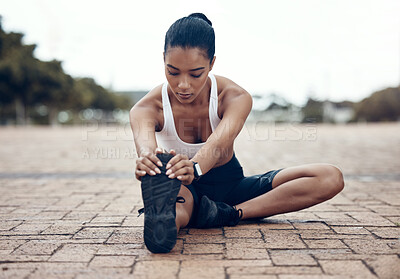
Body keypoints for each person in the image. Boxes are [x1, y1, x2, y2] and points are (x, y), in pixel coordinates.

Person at [129, 13, 344, 253]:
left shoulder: (234, 97)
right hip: (183, 189)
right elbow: (145, 146)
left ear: (212, 63)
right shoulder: (146, 108)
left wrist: (195, 167)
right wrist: (148, 162)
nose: (183, 85)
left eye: (196, 73)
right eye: (173, 71)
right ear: (163, 61)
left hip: (231, 186)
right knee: (176, 205)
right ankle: (167, 220)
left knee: (329, 177)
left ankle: (230, 214)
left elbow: (219, 143)